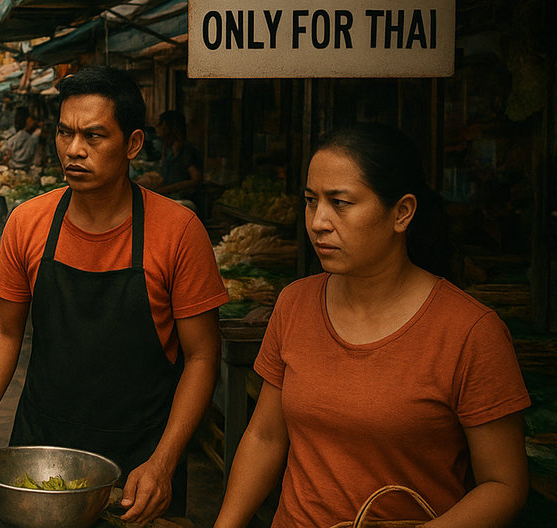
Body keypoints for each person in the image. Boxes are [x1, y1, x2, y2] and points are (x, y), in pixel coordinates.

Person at [214, 124, 531, 528]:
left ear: (401, 213)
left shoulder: (471, 332)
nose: (318, 222)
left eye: (340, 203)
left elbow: (503, 484)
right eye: (311, 201)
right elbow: (265, 437)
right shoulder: (295, 302)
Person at [0, 66, 228, 525]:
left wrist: (165, 461)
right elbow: (4, 329)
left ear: (133, 144)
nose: (74, 150)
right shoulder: (28, 222)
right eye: (65, 133)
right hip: (40, 453)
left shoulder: (178, 232)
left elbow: (202, 357)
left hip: (139, 460)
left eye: (95, 136)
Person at [153, 110, 202, 196]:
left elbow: (196, 179)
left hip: (181, 199)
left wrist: (167, 189)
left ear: (172, 128)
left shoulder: (187, 150)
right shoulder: (171, 149)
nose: (159, 129)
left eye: (162, 125)